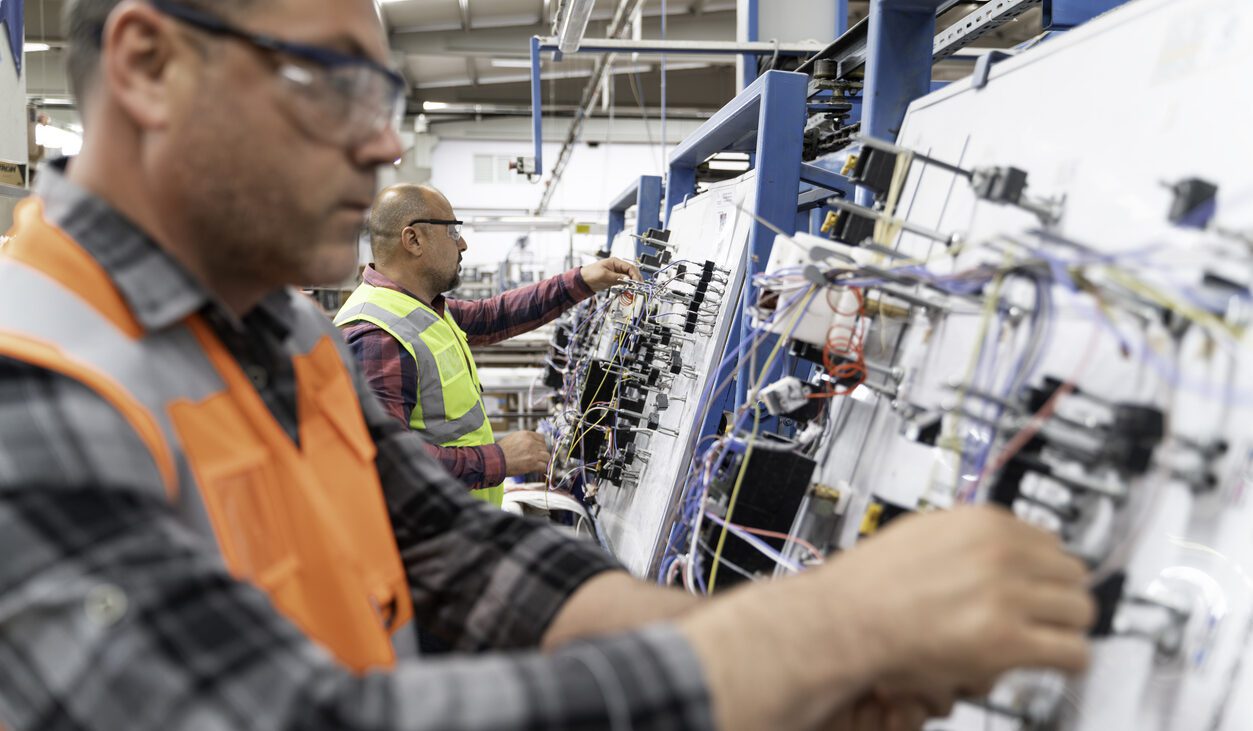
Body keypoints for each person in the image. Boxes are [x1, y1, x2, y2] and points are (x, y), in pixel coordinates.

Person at [0, 0, 1096, 729]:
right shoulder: (30, 377)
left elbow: (453, 553)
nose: (385, 146)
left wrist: (769, 664)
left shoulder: (270, 334)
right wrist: (812, 631)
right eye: (337, 85)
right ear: (150, 65)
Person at [336, 184, 638, 504]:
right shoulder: (377, 333)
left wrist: (583, 279)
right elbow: (385, 465)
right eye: (453, 232)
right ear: (413, 240)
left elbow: (496, 314)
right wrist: (500, 459)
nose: (463, 244)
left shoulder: (420, 310)